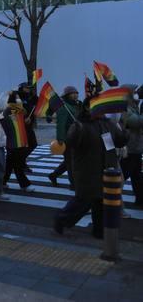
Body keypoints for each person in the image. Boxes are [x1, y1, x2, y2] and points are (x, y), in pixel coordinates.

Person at [54, 98, 128, 238]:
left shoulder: (108, 124)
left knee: (100, 202)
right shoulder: (80, 126)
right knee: (83, 201)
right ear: (87, 108)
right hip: (87, 171)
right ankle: (61, 219)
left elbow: (120, 140)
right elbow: (70, 144)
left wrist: (124, 127)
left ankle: (99, 231)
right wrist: (67, 137)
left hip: (106, 170)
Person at [49, 86, 82, 189]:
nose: (75, 95)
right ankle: (74, 184)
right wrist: (60, 139)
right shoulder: (64, 107)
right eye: (72, 93)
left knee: (69, 161)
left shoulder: (78, 105)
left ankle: (53, 175)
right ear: (67, 95)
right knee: (71, 163)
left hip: (78, 137)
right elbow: (61, 125)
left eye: (76, 93)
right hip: (68, 138)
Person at [3, 91, 35, 192]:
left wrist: (26, 121)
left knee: (10, 164)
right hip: (14, 141)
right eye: (17, 97)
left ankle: (2, 181)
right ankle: (25, 184)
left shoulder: (15, 109)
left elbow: (22, 115)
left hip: (19, 140)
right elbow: (21, 111)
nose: (19, 99)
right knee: (18, 164)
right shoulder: (9, 109)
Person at [120, 84, 143, 206]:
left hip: (136, 147)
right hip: (129, 148)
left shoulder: (134, 106)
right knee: (123, 175)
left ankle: (140, 199)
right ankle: (109, 199)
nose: (137, 92)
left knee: (137, 176)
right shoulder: (125, 108)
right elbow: (135, 122)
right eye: (134, 91)